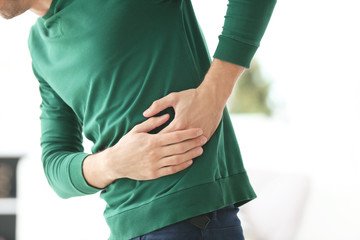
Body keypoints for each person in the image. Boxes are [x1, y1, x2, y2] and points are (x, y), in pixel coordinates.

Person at [1, 0, 276, 239]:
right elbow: (54, 164)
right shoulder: (39, 47)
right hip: (122, 227)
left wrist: (213, 94)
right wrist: (113, 162)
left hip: (188, 220)